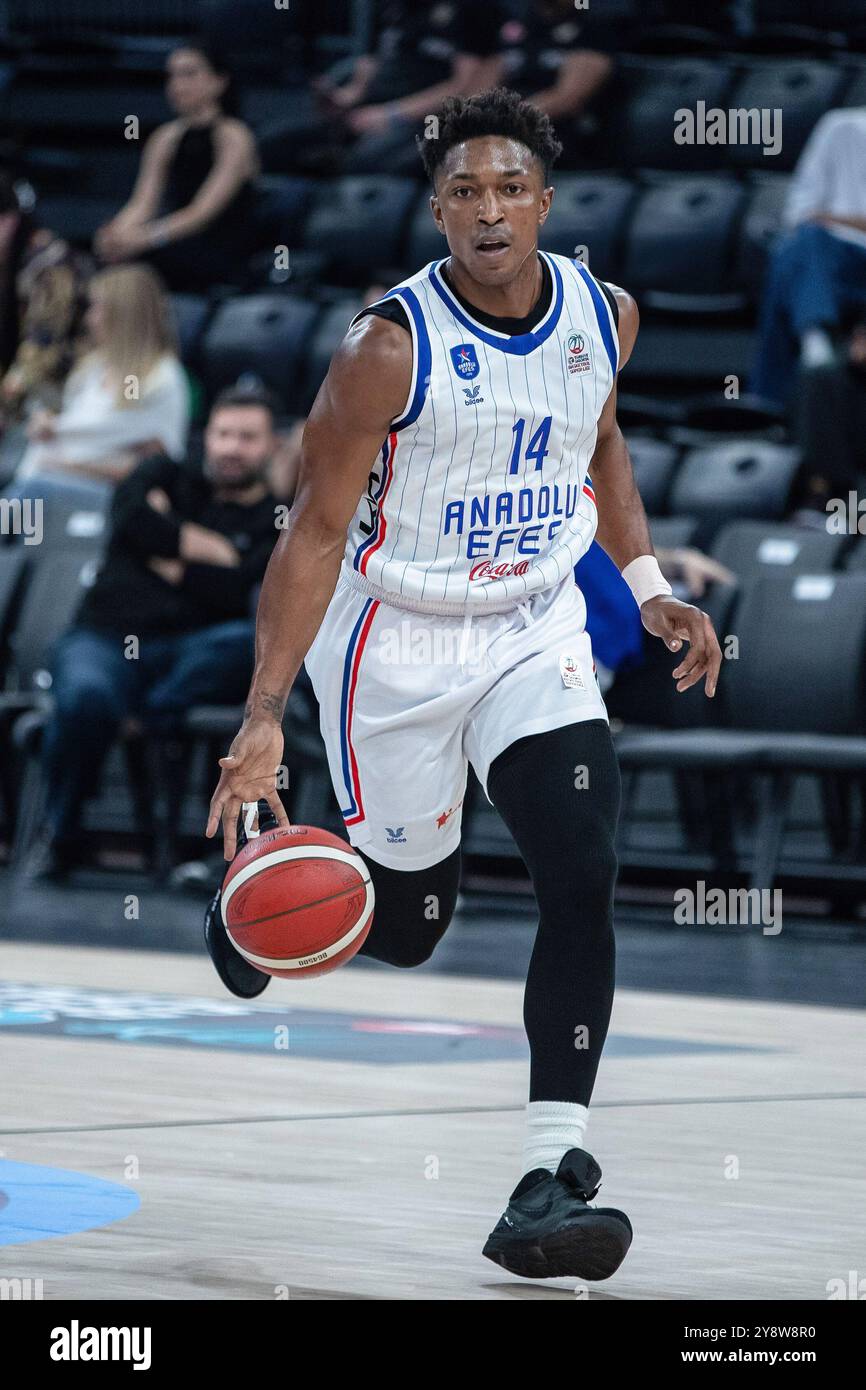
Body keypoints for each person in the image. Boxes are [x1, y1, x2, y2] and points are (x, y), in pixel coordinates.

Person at [203, 88, 721, 1282]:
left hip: (531, 630)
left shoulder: (608, 315)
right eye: (462, 193)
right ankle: (262, 890)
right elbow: (312, 534)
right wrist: (264, 717)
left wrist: (642, 582)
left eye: (507, 189)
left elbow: (595, 444)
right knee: (413, 926)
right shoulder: (384, 347)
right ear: (434, 209)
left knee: (581, 865)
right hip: (395, 639)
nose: (486, 212)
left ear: (545, 200)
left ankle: (547, 1176)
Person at [22, 385, 280, 881]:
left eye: (248, 438)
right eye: (224, 434)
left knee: (243, 644)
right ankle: (61, 837)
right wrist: (209, 552)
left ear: (272, 445)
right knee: (86, 696)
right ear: (206, 437)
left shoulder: (274, 516)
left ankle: (149, 710)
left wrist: (163, 549)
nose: (232, 448)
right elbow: (128, 517)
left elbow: (236, 589)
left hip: (192, 653)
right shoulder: (163, 472)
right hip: (104, 639)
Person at [93, 44, 260, 292]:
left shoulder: (234, 136)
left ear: (219, 81)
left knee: (143, 264)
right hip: (172, 242)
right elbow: (143, 203)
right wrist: (116, 233)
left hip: (220, 248)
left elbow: (203, 213)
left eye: (189, 74)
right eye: (172, 76)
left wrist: (146, 238)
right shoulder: (165, 138)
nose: (177, 85)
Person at [14, 264, 188, 485]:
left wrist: (67, 464)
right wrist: (50, 422)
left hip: (99, 494)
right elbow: (88, 422)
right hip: (53, 482)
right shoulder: (93, 369)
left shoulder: (142, 377)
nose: (89, 319)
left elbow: (132, 428)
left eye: (97, 308)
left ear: (122, 314)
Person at [750, 107, 866, 409]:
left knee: (789, 262)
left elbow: (818, 216)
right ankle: (817, 342)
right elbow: (801, 213)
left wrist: (836, 220)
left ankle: (768, 403)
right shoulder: (840, 125)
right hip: (837, 258)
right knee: (802, 245)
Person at [0, 171, 92, 428]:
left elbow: (43, 346)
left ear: (9, 220)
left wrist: (5, 402)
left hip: (63, 380)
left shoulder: (51, 264)